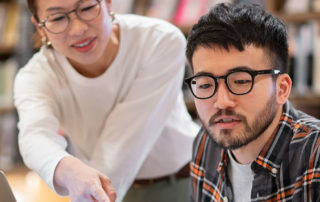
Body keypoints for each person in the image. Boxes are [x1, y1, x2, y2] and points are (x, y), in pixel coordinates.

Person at [14, 0, 200, 201]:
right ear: (40, 28)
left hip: (179, 183)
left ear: (108, 4)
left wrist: (90, 193)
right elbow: (35, 135)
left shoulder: (159, 40)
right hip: (104, 185)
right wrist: (66, 167)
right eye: (58, 18)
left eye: (86, 8)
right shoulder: (36, 75)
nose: (78, 29)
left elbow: (124, 140)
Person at [185, 3, 320, 202]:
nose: (221, 103)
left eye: (240, 82)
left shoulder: (314, 157)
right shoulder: (205, 143)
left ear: (281, 89)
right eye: (205, 85)